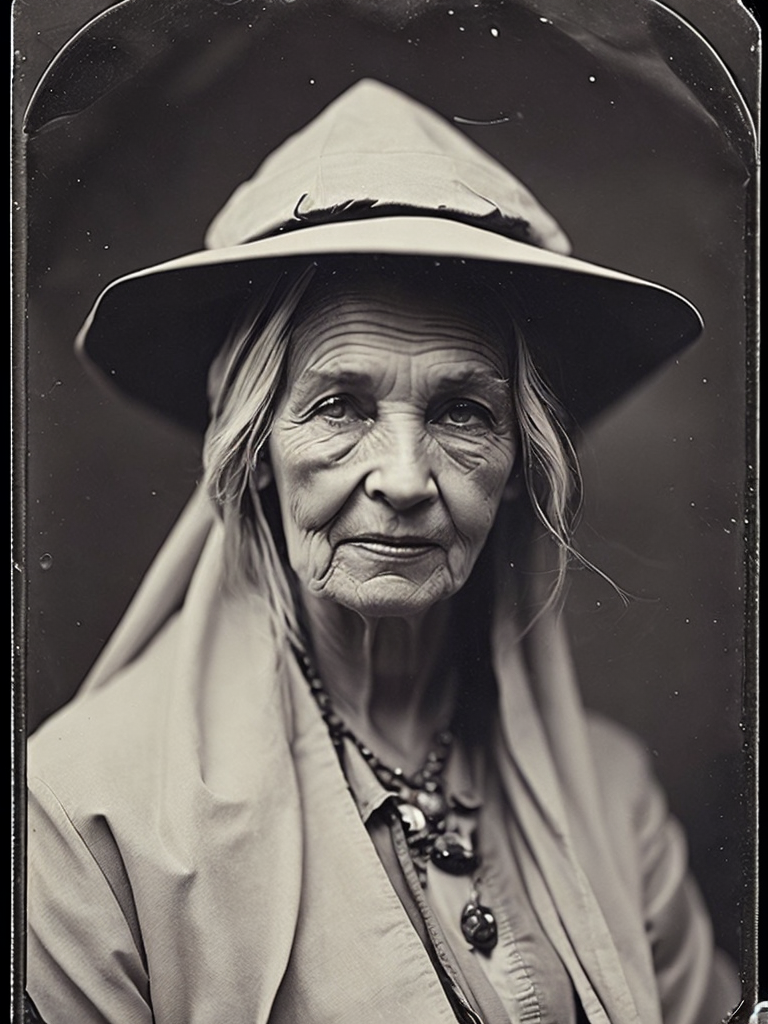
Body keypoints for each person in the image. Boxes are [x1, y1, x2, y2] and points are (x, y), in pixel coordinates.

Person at [26, 78, 741, 1024]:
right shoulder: (83, 813)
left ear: (519, 465)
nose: (404, 477)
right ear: (257, 455)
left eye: (462, 413)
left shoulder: (613, 800)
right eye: (339, 406)